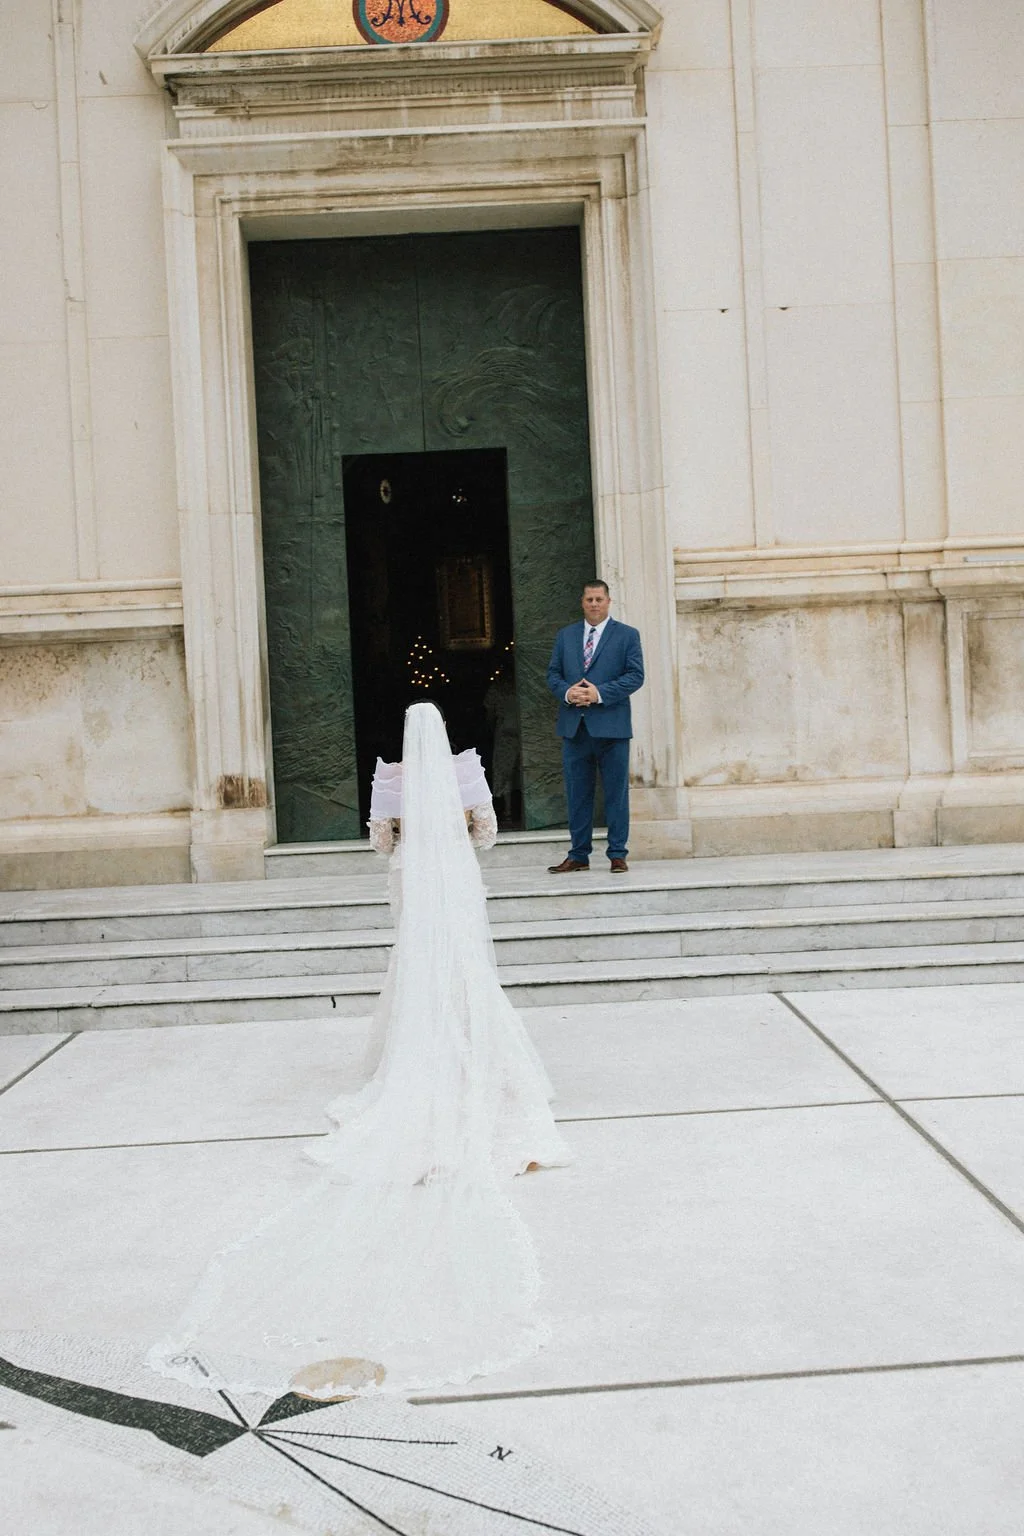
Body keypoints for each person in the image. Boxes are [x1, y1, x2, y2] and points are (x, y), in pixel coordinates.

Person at [148, 702, 570, 1402]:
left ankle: (413, 1065)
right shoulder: (466, 775)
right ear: (448, 739)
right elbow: (489, 839)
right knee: (465, 980)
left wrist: (404, 829)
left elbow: (380, 845)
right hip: (458, 889)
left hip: (412, 887)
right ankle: (473, 1065)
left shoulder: (391, 782)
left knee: (416, 975)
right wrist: (462, 824)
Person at [546, 581, 645, 873]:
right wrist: (567, 692)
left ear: (608, 601)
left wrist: (598, 694)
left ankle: (617, 853)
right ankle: (578, 855)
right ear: (582, 602)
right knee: (577, 795)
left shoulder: (627, 635)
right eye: (589, 599)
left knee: (616, 794)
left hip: (612, 728)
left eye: (599, 599)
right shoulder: (566, 636)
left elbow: (635, 676)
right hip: (575, 729)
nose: (594, 604)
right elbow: (553, 674)